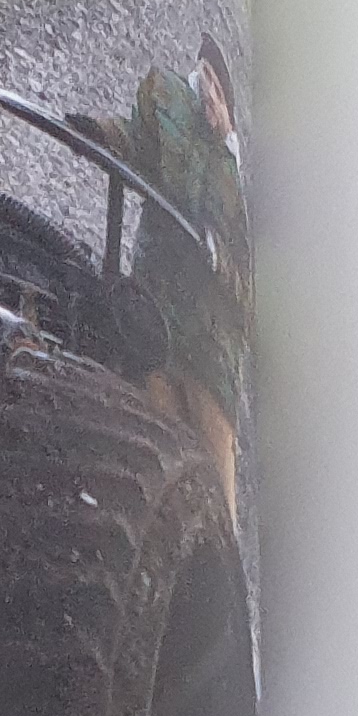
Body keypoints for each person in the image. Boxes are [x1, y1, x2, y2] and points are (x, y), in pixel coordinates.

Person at [92, 34, 252, 520]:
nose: (210, 96)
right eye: (207, 80)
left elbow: (248, 286)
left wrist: (218, 259)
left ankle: (220, 547)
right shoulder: (172, 113)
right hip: (158, 313)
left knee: (214, 463)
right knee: (156, 438)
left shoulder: (234, 181)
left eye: (219, 92)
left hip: (210, 347)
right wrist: (102, 134)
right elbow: (137, 146)